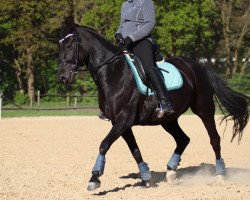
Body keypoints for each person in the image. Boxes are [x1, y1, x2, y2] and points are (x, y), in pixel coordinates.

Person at [115, 0, 174, 116]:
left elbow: (150, 24)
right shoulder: (125, 4)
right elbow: (122, 25)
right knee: (112, 67)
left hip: (141, 42)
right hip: (125, 43)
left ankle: (165, 102)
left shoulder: (146, 2)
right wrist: (118, 34)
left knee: (148, 68)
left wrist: (131, 37)